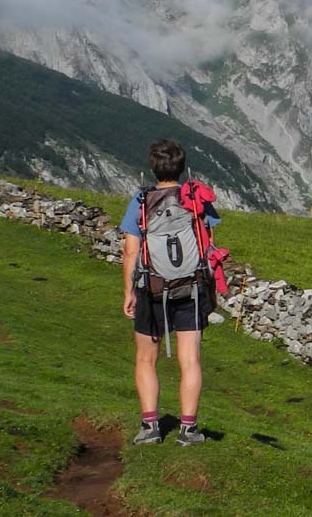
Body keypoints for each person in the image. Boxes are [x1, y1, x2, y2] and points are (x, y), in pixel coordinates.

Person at [119, 139, 221, 445]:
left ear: (152, 167)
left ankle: (150, 427)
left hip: (151, 288)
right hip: (191, 288)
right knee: (190, 360)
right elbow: (208, 241)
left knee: (145, 359)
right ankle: (188, 430)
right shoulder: (195, 197)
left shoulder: (140, 200)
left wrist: (128, 291)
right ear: (182, 167)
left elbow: (129, 250)